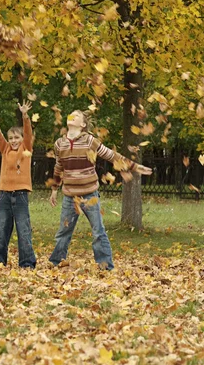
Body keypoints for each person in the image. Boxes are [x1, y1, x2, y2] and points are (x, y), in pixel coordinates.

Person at [49, 110, 152, 270]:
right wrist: (54, 189)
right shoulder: (59, 144)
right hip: (70, 197)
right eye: (70, 114)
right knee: (63, 232)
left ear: (83, 124)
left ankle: (105, 266)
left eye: (76, 115)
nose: (72, 116)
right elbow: (58, 167)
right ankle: (56, 263)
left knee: (98, 232)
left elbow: (111, 156)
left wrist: (135, 167)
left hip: (90, 194)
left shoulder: (90, 141)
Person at [0, 100, 36, 269]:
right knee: (1, 230)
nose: (13, 140)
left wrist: (25, 116)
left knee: (23, 230)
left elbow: (28, 133)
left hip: (20, 195)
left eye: (17, 137)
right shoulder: (5, 149)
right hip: (4, 194)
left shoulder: (26, 148)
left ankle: (27, 263)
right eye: (11, 137)